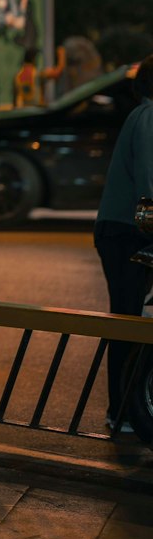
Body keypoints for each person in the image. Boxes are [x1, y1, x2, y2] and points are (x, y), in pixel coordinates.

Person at [94, 53, 153, 432]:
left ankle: (125, 409)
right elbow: (150, 180)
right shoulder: (149, 116)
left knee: (128, 319)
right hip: (125, 232)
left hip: (124, 230)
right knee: (127, 320)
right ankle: (123, 411)